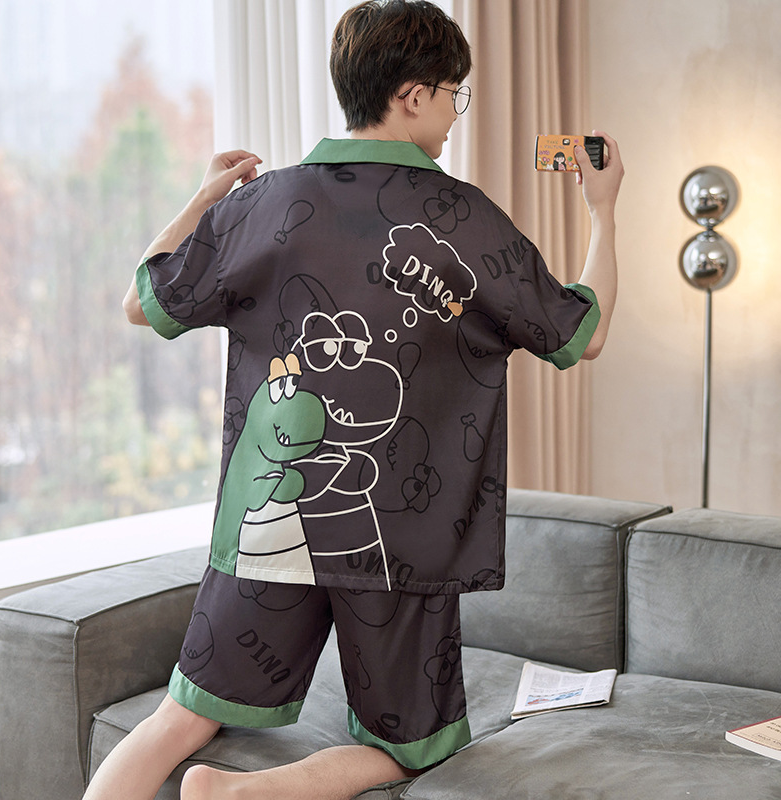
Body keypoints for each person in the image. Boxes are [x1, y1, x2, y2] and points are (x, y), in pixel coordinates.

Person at [83, 1, 623, 798]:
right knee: (412, 748)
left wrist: (203, 200)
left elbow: (143, 302)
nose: (455, 115)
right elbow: (583, 334)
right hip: (400, 546)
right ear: (412, 94)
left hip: (266, 521)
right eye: (453, 95)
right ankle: (239, 794)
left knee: (181, 716)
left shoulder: (261, 205)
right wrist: (603, 211)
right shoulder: (465, 218)